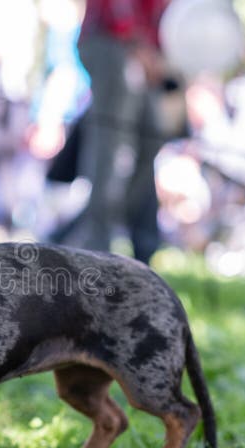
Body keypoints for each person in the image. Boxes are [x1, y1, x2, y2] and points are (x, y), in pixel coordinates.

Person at [53, 0, 169, 265]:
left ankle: (77, 233)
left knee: (152, 136)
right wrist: (138, 44)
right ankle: (94, 252)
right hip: (111, 40)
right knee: (111, 151)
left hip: (142, 46)